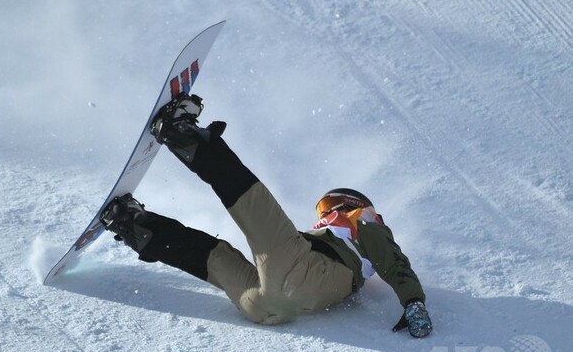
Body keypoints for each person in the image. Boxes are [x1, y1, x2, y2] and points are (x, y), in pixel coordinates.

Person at [101, 93, 433, 337]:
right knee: (214, 257)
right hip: (269, 309)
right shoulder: (344, 252)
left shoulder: (364, 222)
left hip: (301, 272)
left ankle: (180, 132)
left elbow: (394, 261)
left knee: (250, 200)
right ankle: (134, 226)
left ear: (347, 205)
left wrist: (413, 301)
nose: (324, 214)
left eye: (329, 207)